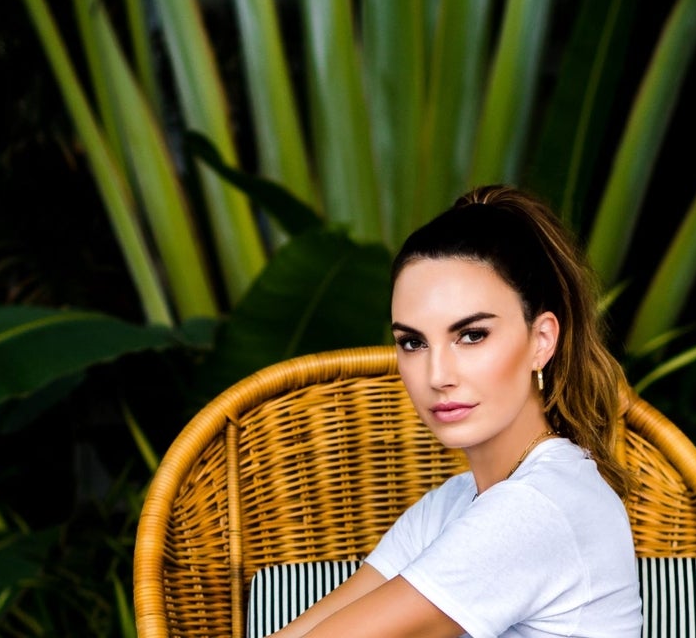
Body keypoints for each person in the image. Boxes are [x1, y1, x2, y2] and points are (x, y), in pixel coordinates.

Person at [271, 185, 642, 638]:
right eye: (413, 342)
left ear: (541, 341)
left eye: (471, 335)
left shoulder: (537, 508)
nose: (437, 375)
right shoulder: (450, 506)